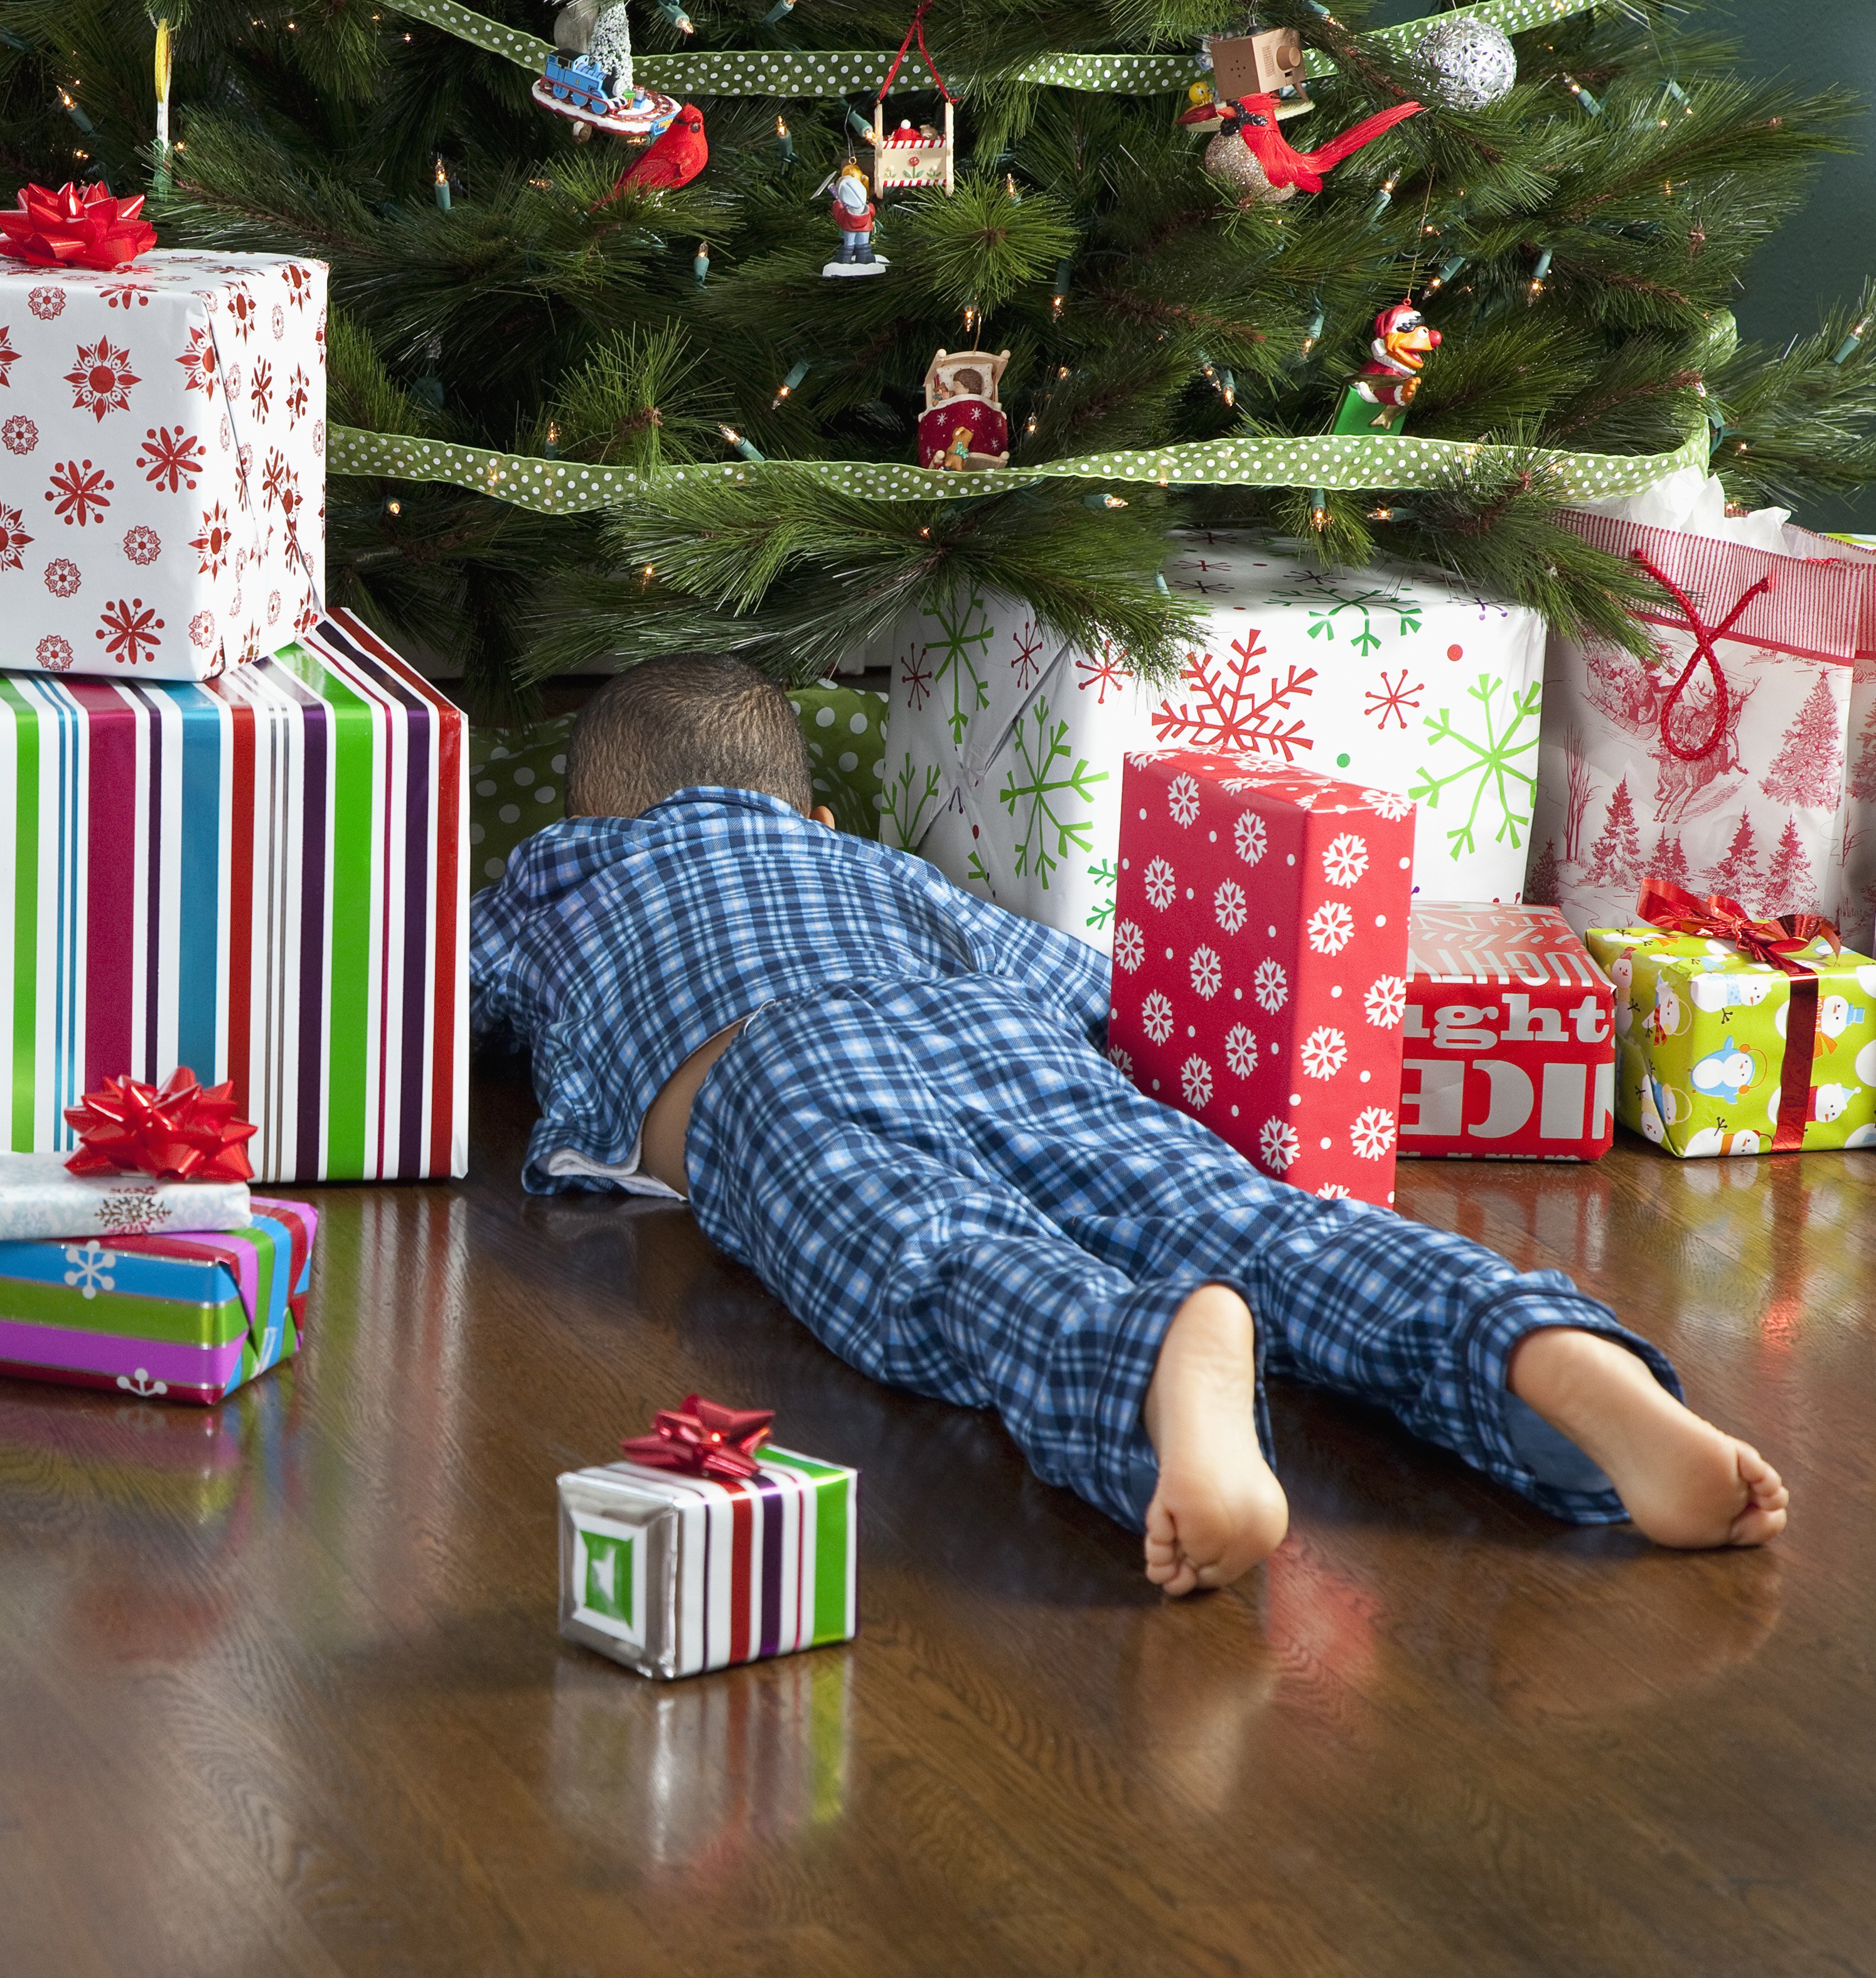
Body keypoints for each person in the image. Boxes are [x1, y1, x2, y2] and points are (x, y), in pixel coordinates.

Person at [470, 653, 1790, 1596]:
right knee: (1243, 1217)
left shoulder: (560, 879)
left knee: (937, 1254)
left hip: (781, 1074)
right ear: (814, 818)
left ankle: (1154, 1348)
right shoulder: (879, 868)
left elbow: (436, 996)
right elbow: (1093, 992)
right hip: (990, 1033)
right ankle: (1549, 1359)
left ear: (585, 822)